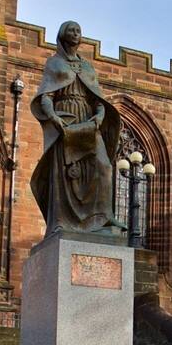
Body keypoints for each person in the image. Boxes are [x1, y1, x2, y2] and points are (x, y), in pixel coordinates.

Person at [29, 21, 124, 235]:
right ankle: (61, 221)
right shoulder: (54, 63)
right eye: (71, 30)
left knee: (104, 166)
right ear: (63, 35)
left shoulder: (87, 67)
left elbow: (97, 99)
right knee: (63, 174)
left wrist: (100, 114)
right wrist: (53, 117)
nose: (75, 33)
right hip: (66, 120)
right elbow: (46, 95)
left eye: (78, 30)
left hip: (88, 122)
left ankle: (102, 218)